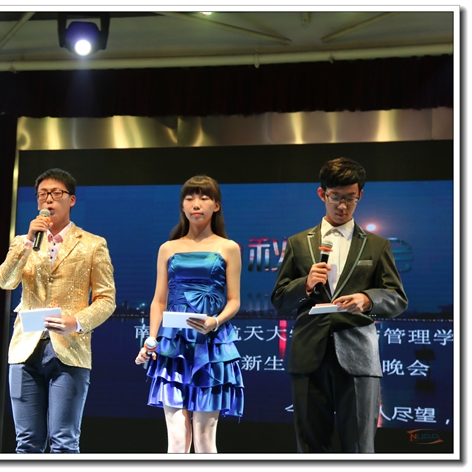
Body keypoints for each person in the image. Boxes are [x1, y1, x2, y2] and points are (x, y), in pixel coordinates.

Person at [271, 157, 408, 453]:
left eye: (350, 198)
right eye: (336, 197)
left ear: (360, 196)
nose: (343, 206)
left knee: (359, 447)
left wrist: (367, 299)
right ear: (322, 194)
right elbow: (279, 300)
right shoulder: (298, 243)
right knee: (310, 447)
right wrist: (305, 284)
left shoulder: (377, 245)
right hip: (309, 353)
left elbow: (397, 297)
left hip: (358, 354)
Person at [0, 168, 116, 453]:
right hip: (25, 347)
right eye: (42, 194)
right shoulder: (24, 242)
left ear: (71, 199)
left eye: (56, 193)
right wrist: (27, 241)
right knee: (27, 442)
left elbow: (106, 299)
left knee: (64, 441)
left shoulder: (93, 244)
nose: (48, 199)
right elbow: (4, 281)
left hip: (69, 347)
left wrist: (77, 321)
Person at [135, 175, 244, 453]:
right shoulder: (168, 248)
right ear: (182, 206)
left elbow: (234, 301)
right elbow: (159, 301)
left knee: (205, 438)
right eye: (190, 198)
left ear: (216, 206)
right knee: (176, 438)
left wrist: (215, 321)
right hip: (173, 345)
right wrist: (151, 340)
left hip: (212, 345)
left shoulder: (229, 247)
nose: (196, 204)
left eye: (204, 198)